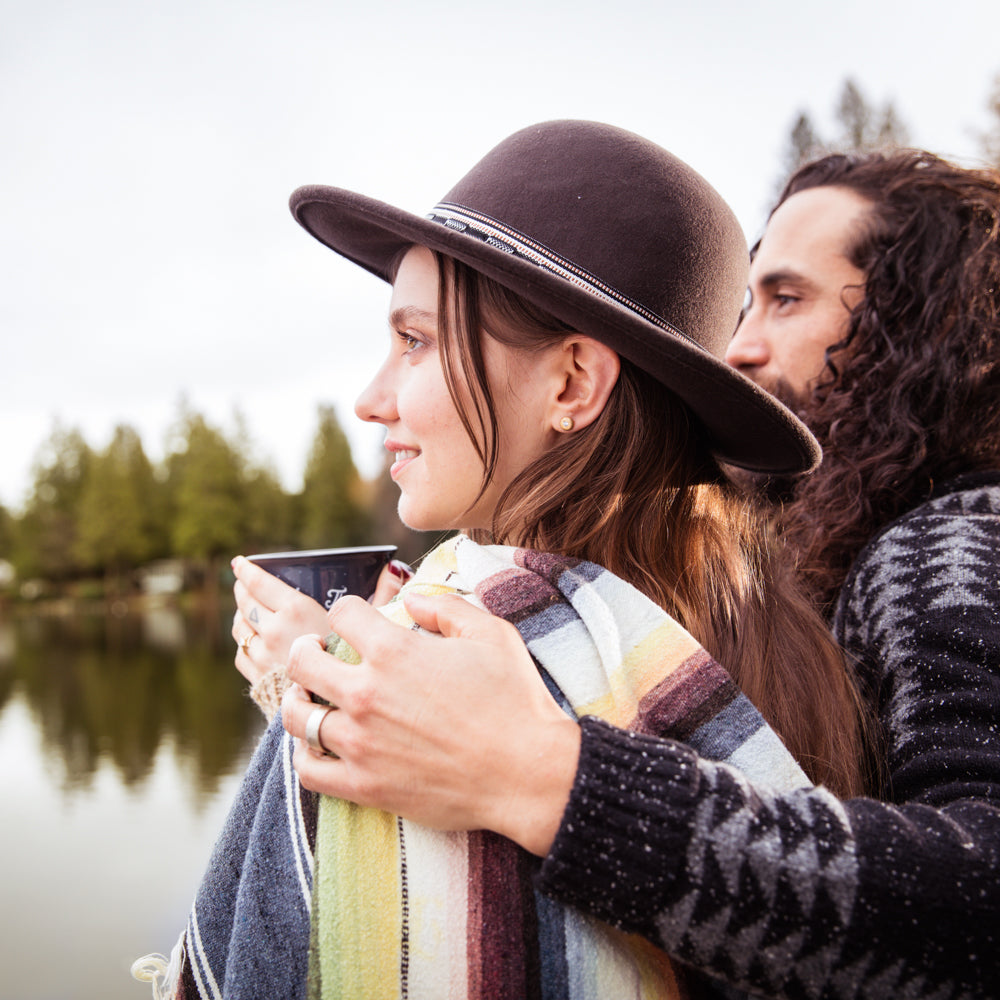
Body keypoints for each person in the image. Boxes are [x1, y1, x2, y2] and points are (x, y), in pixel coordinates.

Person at [140, 120, 870, 1000]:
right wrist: (315, 671)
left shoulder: (435, 670)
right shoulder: (772, 635)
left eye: (415, 341)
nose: (373, 400)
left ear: (570, 385)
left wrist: (339, 679)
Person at [280, 149, 1000, 999]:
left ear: (913, 329)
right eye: (744, 305)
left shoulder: (949, 545)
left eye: (787, 298)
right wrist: (342, 659)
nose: (740, 349)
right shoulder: (743, 599)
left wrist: (537, 770)